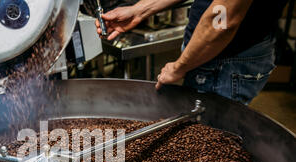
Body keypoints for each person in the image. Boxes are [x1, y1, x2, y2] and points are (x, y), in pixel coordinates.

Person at [95, 0, 290, 104]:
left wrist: (180, 66)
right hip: (213, 54)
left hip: (224, 63)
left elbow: (223, 19)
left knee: (209, 148)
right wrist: (140, 10)